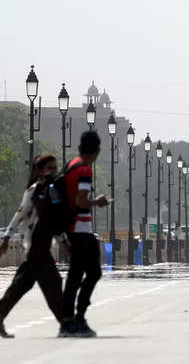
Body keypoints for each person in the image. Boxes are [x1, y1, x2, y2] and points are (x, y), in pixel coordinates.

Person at [0, 154, 68, 338]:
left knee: (24, 282)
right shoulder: (33, 191)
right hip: (35, 244)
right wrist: (6, 238)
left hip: (43, 245)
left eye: (55, 168)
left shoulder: (52, 191)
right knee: (52, 282)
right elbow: (19, 214)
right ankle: (65, 323)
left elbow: (54, 221)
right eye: (49, 168)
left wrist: (64, 241)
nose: (52, 171)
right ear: (39, 171)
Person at [60, 131, 109, 338]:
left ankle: (68, 321)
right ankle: (77, 318)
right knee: (93, 273)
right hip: (80, 229)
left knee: (74, 276)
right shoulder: (84, 171)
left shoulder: (70, 165)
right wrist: (97, 202)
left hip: (71, 228)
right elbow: (80, 201)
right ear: (96, 151)